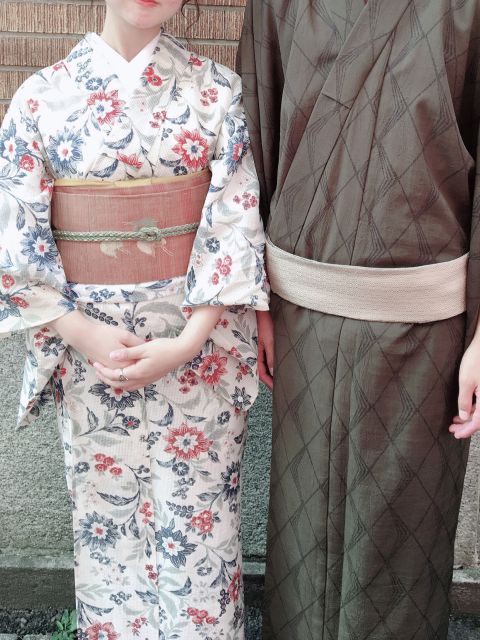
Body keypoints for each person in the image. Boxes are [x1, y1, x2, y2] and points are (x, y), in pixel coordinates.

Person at [0, 1, 269, 637]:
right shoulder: (40, 98)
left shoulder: (218, 90)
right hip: (91, 354)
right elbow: (17, 237)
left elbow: (234, 223)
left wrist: (189, 341)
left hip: (198, 352)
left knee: (202, 530)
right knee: (106, 527)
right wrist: (82, 332)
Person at [238, 1, 480, 638]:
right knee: (301, 533)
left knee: (400, 539)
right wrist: (257, 301)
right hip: (301, 319)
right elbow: (253, 142)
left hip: (425, 331)